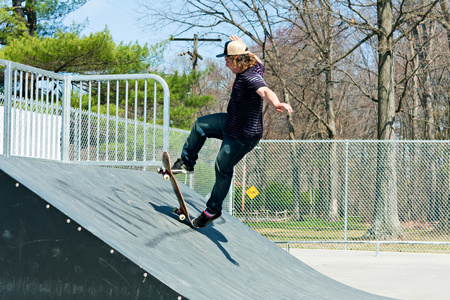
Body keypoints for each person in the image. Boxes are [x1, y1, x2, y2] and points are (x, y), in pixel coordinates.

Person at [172, 35, 293, 228]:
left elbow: (265, 91)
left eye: (228, 61)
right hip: (231, 122)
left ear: (238, 60)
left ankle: (212, 210)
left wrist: (276, 102)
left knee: (222, 166)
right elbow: (257, 58)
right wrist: (240, 45)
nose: (226, 65)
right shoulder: (254, 64)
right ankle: (187, 162)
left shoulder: (251, 77)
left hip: (243, 136)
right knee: (200, 125)